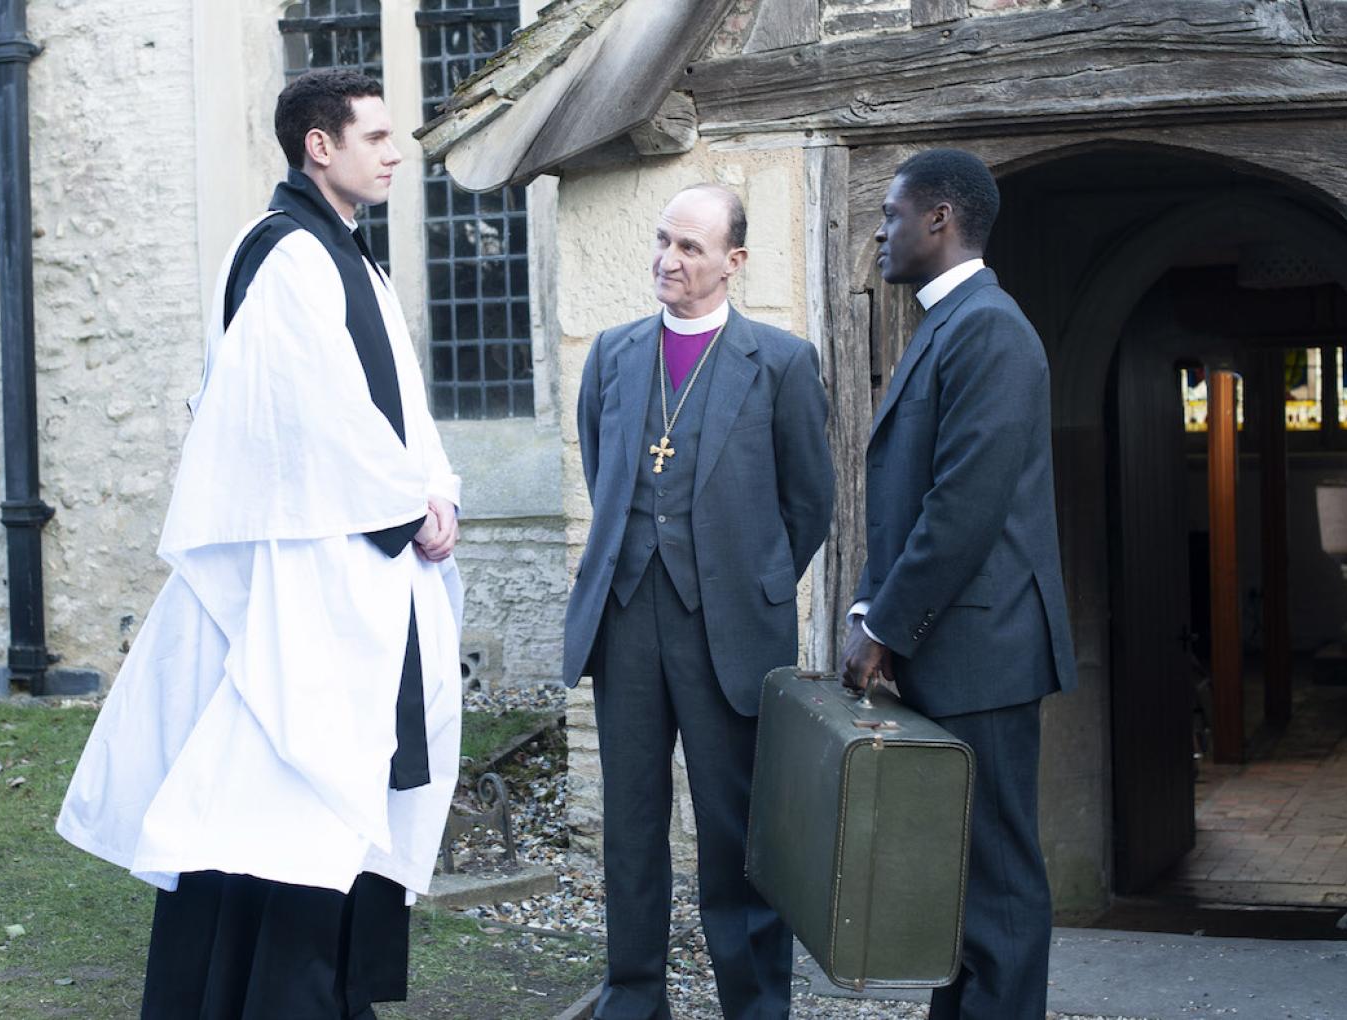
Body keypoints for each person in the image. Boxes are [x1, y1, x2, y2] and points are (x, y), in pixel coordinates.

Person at [55, 68, 464, 1019]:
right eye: (376, 137)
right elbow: (307, 415)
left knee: (321, 808)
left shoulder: (351, 258)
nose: (396, 152)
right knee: (271, 805)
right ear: (319, 147)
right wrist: (409, 509)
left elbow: (400, 414)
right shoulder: (284, 255)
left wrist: (434, 494)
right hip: (299, 580)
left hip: (355, 567)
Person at [563, 183, 836, 1020]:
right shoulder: (611, 353)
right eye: (662, 241)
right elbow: (601, 459)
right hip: (627, 620)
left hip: (730, 630)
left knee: (737, 829)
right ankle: (633, 998)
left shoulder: (781, 362)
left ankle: (754, 1006)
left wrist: (749, 580)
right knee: (632, 826)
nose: (667, 260)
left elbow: (810, 501)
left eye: (689, 248)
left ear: (734, 262)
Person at [840, 148, 1077, 1020]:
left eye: (892, 214)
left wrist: (883, 627)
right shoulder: (947, 322)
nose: (878, 230)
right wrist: (872, 607)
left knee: (1001, 885)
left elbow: (963, 505)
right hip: (952, 643)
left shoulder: (992, 328)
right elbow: (907, 499)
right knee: (958, 885)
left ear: (940, 219)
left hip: (984, 649)